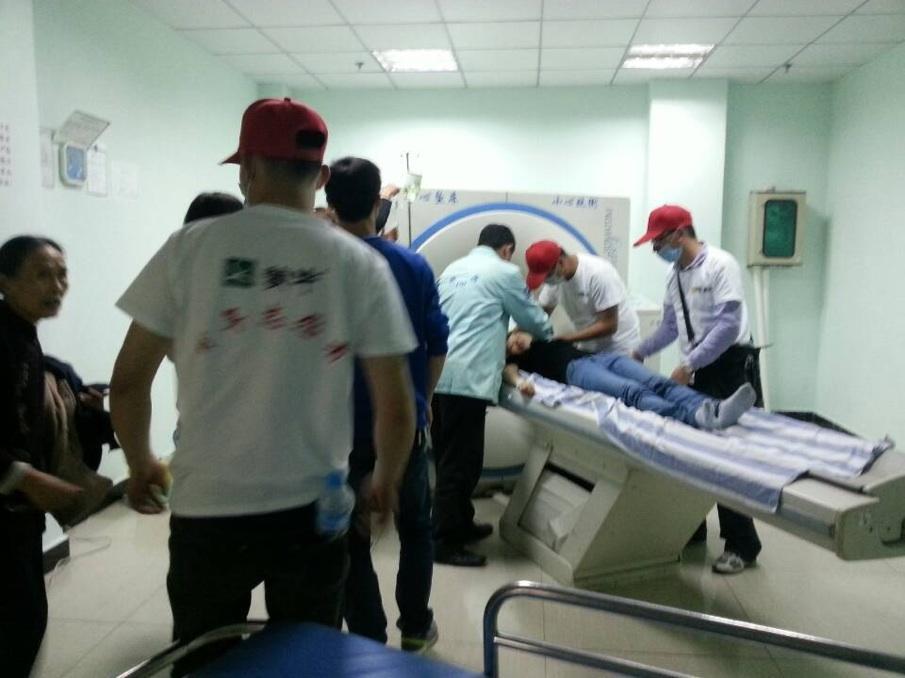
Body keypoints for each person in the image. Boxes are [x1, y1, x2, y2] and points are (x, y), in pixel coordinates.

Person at [110, 98, 418, 674]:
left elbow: (127, 383)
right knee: (305, 659)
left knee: (205, 656)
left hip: (207, 505)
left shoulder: (187, 249)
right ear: (321, 178)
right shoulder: (359, 264)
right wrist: (385, 479)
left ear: (247, 169)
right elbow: (396, 405)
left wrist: (140, 462)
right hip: (313, 509)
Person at [326, 157, 448, 653]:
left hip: (338, 432)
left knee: (349, 537)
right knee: (415, 529)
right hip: (404, 426)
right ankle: (415, 627)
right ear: (379, 202)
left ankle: (367, 638)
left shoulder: (321, 266)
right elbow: (437, 344)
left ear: (329, 202)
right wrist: (425, 400)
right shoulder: (412, 265)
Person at [632, 204, 763, 575]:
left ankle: (742, 544)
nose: (656, 249)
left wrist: (689, 364)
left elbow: (728, 325)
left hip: (731, 366)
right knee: (694, 450)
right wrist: (640, 351)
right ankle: (692, 527)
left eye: (658, 242)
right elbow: (671, 327)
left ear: (679, 234)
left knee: (729, 455)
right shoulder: (675, 274)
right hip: (698, 367)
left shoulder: (721, 265)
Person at [432, 224, 553, 567]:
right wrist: (543, 332)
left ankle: (461, 523)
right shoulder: (505, 272)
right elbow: (534, 319)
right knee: (461, 464)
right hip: (468, 378)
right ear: (507, 250)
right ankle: (444, 542)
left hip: (437, 373)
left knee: (447, 457)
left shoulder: (452, 269)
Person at [0, 236, 81, 677]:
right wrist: (24, 477)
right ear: (5, 282)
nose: (56, 285)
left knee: (25, 619)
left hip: (18, 512)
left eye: (61, 274)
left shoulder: (21, 333)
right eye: (41, 274)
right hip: (8, 507)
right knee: (20, 623)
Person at [503, 331, 755, 430]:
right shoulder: (517, 360)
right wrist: (519, 383)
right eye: (509, 345)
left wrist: (528, 335)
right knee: (631, 391)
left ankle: (714, 408)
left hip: (602, 357)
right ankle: (693, 417)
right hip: (575, 372)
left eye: (514, 337)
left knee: (658, 382)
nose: (514, 343)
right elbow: (509, 372)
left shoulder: (543, 336)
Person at [525, 240, 641, 355]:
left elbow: (609, 325)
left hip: (620, 347)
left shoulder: (598, 274)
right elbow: (541, 314)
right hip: (588, 347)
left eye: (547, 276)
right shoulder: (555, 280)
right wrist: (521, 332)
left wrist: (566, 339)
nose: (546, 281)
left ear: (560, 262)